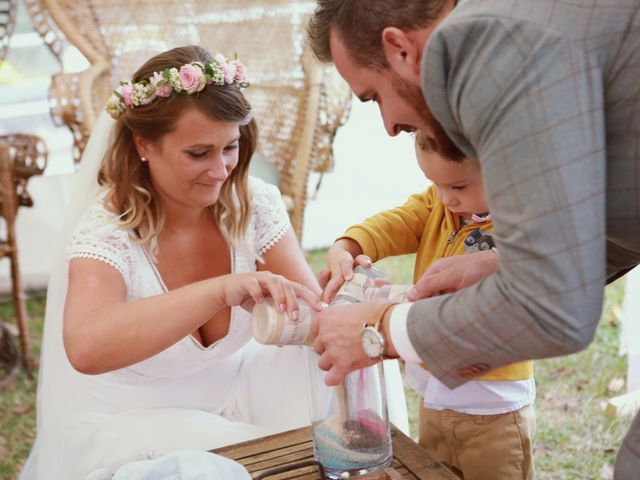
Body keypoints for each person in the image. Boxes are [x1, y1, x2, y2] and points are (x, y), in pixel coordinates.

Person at [306, 0, 640, 476]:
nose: (388, 127)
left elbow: (554, 309)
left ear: (400, 49)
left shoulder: (484, 47)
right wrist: (503, 262)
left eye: (374, 96)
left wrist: (380, 330)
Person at [21, 45, 330, 480]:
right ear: (144, 144)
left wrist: (357, 299)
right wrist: (219, 290)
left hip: (237, 390)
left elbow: (315, 313)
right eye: (199, 153)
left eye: (231, 147)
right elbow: (86, 348)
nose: (221, 170)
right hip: (132, 422)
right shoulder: (108, 229)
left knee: (334, 355)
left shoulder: (254, 203)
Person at [324, 132, 535, 478]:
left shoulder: (521, 228)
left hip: (493, 409)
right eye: (435, 184)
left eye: (458, 187)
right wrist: (348, 244)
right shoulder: (440, 204)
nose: (445, 198)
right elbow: (397, 221)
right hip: (434, 399)